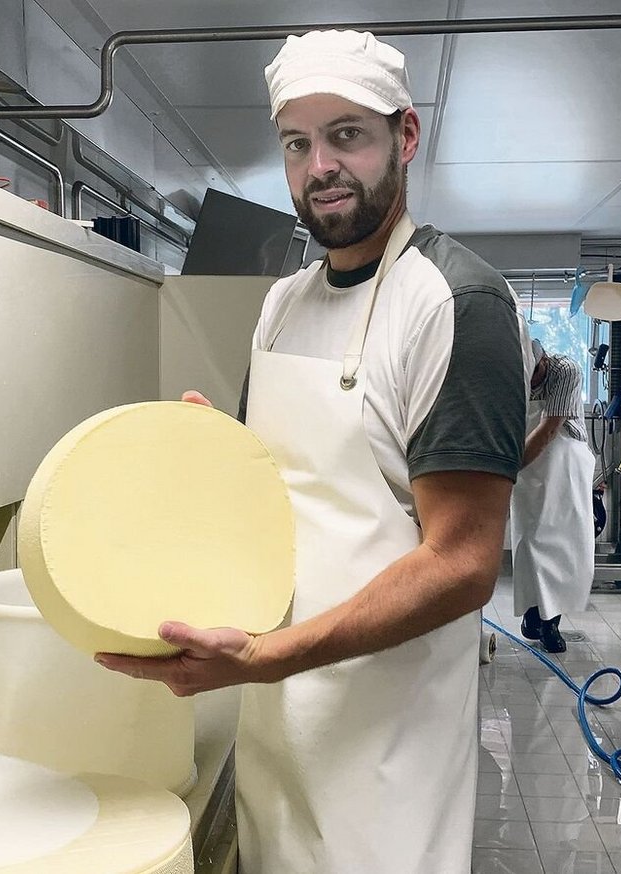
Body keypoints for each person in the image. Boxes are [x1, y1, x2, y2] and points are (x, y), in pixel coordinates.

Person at [96, 29, 528, 874]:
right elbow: (281, 489)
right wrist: (208, 451)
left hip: (385, 734)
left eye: (347, 135)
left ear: (404, 138)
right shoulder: (282, 305)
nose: (320, 164)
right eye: (298, 142)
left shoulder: (453, 301)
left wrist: (266, 657)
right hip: (276, 721)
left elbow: (464, 562)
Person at [511, 340, 595, 653]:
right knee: (530, 541)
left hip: (563, 461)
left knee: (562, 545)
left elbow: (549, 429)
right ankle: (534, 613)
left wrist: (509, 468)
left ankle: (551, 621)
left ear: (543, 361)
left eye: (533, 376)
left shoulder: (565, 370)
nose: (530, 383)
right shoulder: (513, 374)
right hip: (530, 467)